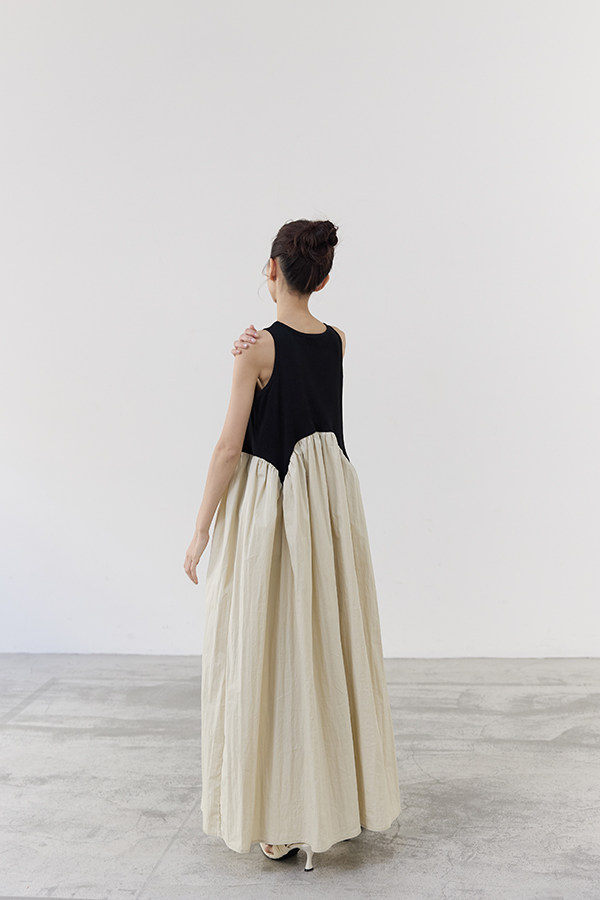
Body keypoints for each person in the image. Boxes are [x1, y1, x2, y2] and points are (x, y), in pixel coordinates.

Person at [184, 218, 401, 872]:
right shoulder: (337, 341)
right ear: (324, 279)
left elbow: (229, 448)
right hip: (328, 515)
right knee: (325, 651)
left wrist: (200, 529)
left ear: (271, 269)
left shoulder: (256, 350)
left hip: (273, 516)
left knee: (267, 655)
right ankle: (335, 799)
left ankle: (279, 818)